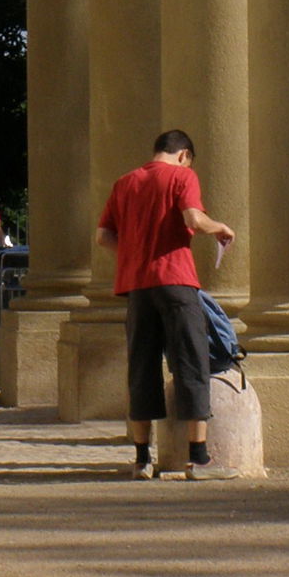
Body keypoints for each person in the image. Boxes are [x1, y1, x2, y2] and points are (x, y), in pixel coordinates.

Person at [96, 128, 237, 479]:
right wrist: (219, 226)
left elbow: (103, 237)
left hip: (137, 286)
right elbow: (193, 218)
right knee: (191, 361)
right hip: (176, 281)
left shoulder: (124, 183)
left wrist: (132, 255)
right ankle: (198, 459)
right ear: (184, 154)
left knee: (141, 367)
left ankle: (142, 460)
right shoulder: (182, 176)